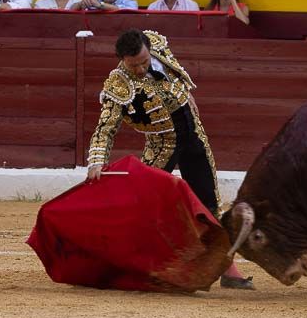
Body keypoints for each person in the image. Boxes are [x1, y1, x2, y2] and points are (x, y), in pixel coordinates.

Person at [85, 28, 253, 289]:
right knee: (144, 210)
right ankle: (127, 265)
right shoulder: (118, 84)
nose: (141, 69)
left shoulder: (157, 45)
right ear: (122, 60)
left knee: (209, 205)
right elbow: (105, 128)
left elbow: (175, 70)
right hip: (163, 147)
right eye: (134, 66)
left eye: (144, 61)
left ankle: (228, 271)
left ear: (148, 49)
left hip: (194, 138)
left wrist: (186, 93)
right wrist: (96, 160)